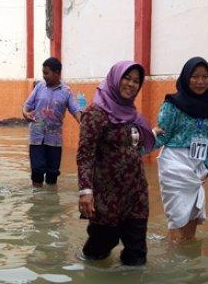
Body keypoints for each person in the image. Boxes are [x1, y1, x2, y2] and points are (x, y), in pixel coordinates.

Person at [76, 60, 155, 266]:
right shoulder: (96, 113)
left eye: (136, 81)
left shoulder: (132, 115)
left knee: (137, 255)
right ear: (115, 79)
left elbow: (134, 148)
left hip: (135, 195)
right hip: (106, 198)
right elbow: (85, 155)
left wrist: (153, 135)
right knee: (98, 252)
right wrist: (85, 190)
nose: (131, 84)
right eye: (126, 78)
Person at [154, 57, 208, 243]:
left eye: (205, 77)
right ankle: (173, 265)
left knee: (192, 219)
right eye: (195, 76)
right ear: (186, 78)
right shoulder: (172, 105)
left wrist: (207, 169)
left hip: (198, 166)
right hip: (174, 165)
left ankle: (188, 262)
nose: (200, 82)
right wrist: (135, 145)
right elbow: (162, 136)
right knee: (177, 220)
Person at [22, 57, 81, 187]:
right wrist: (25, 114)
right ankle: (37, 202)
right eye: (43, 73)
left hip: (54, 140)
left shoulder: (66, 92)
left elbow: (76, 111)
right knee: (37, 171)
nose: (44, 76)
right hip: (36, 138)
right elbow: (26, 106)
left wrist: (84, 125)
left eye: (46, 73)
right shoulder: (39, 88)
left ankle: (50, 203)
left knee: (52, 174)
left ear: (57, 73)